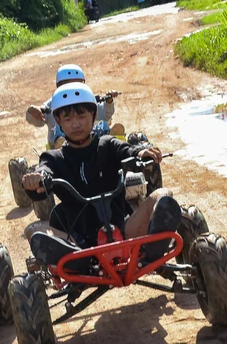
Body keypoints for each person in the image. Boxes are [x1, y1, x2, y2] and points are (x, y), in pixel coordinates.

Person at [22, 82, 181, 265]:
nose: (75, 124)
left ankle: (151, 255)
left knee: (163, 195)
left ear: (93, 114)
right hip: (78, 243)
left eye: (81, 115)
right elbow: (43, 173)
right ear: (58, 121)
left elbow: (128, 150)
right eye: (67, 118)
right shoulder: (53, 158)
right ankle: (82, 264)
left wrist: (141, 152)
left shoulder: (108, 144)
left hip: (124, 232)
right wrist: (36, 179)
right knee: (33, 230)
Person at [25, 65, 121, 148]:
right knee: (58, 134)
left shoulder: (86, 100)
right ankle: (61, 144)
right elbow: (37, 120)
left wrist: (108, 102)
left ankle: (111, 137)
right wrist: (32, 111)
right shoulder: (53, 104)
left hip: (87, 145)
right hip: (62, 153)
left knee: (103, 125)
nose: (75, 124)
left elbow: (104, 115)